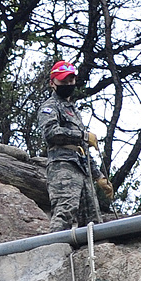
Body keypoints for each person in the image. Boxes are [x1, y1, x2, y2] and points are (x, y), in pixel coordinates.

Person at [38, 60, 108, 230]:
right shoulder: (49, 106)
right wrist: (83, 135)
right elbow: (50, 133)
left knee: (93, 220)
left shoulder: (73, 110)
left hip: (82, 169)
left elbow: (82, 146)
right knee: (64, 213)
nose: (68, 84)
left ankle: (91, 255)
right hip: (62, 166)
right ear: (52, 83)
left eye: (71, 81)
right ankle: (55, 251)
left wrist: (99, 177)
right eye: (63, 81)